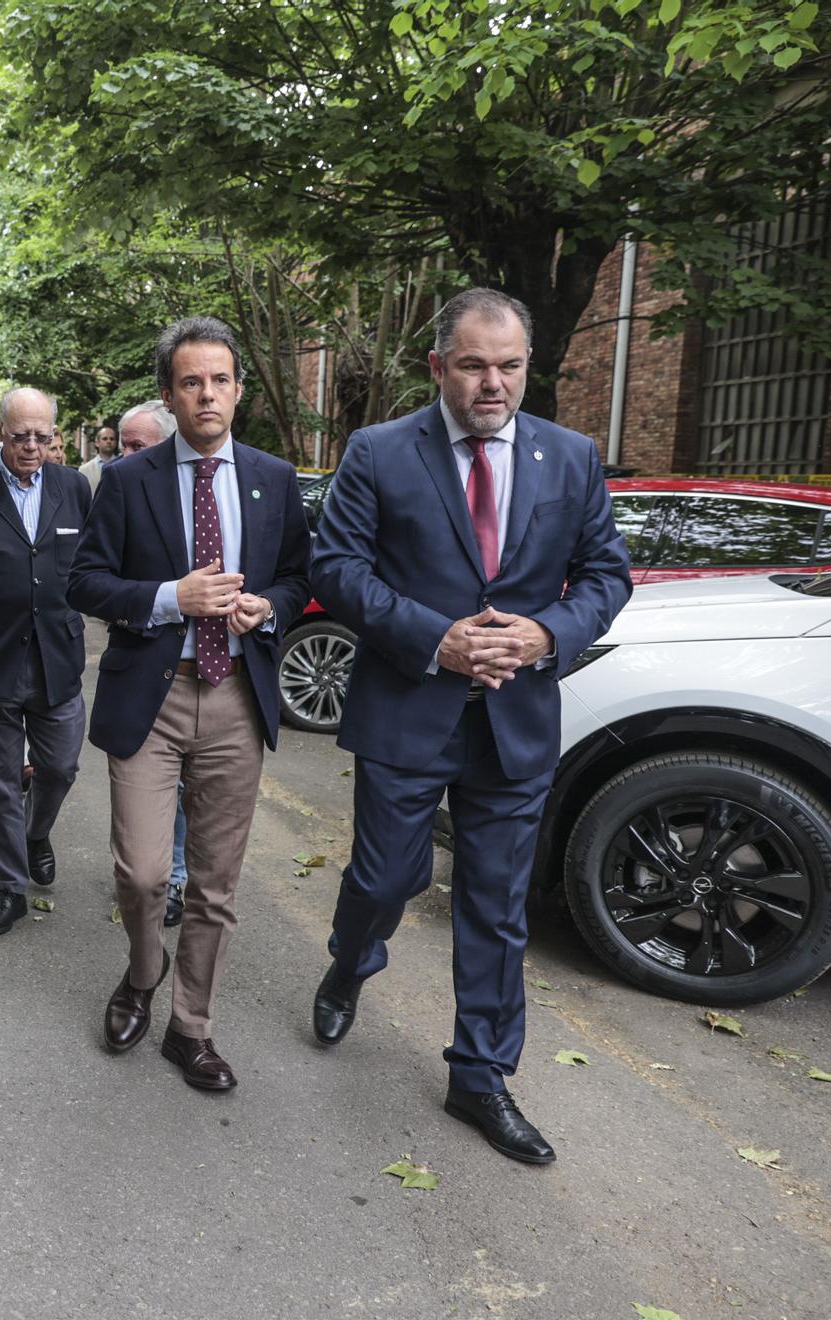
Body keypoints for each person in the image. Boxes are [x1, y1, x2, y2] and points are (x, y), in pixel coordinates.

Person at [309, 287, 631, 1164]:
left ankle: (481, 1076)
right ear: (439, 366)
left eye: (511, 364)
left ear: (528, 366)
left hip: (515, 721)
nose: (494, 382)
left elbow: (606, 575)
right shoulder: (379, 451)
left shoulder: (571, 457)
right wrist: (435, 638)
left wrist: (545, 633)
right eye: (476, 364)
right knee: (387, 878)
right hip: (408, 707)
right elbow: (334, 565)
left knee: (496, 905)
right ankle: (350, 958)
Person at [68, 317, 311, 1093]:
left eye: (220, 380)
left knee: (214, 883)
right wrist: (174, 596)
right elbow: (86, 581)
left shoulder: (274, 478)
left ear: (239, 389)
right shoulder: (129, 480)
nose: (207, 394)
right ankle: (144, 970)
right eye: (190, 381)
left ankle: (191, 1027)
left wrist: (267, 608)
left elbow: (302, 577)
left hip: (238, 696)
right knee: (141, 873)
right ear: (170, 394)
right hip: (154, 694)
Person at [0, 387, 91, 936]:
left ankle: (37, 833)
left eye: (43, 436)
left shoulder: (74, 487)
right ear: (0, 430)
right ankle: (9, 887)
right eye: (19, 437)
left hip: (59, 655)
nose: (32, 446)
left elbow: (90, 563)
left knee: (60, 767)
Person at [111, 397, 189, 927]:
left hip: (214, 676)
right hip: (141, 671)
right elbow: (92, 582)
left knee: (189, 795)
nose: (127, 455)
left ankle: (178, 878)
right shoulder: (118, 491)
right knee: (143, 830)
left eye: (140, 446)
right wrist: (166, 598)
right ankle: (156, 873)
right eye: (124, 445)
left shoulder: (212, 494)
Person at [78, 421, 119, 496]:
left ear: (116, 443)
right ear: (97, 443)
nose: (109, 441)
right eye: (105, 439)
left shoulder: (122, 466)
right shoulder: (84, 470)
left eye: (112, 439)